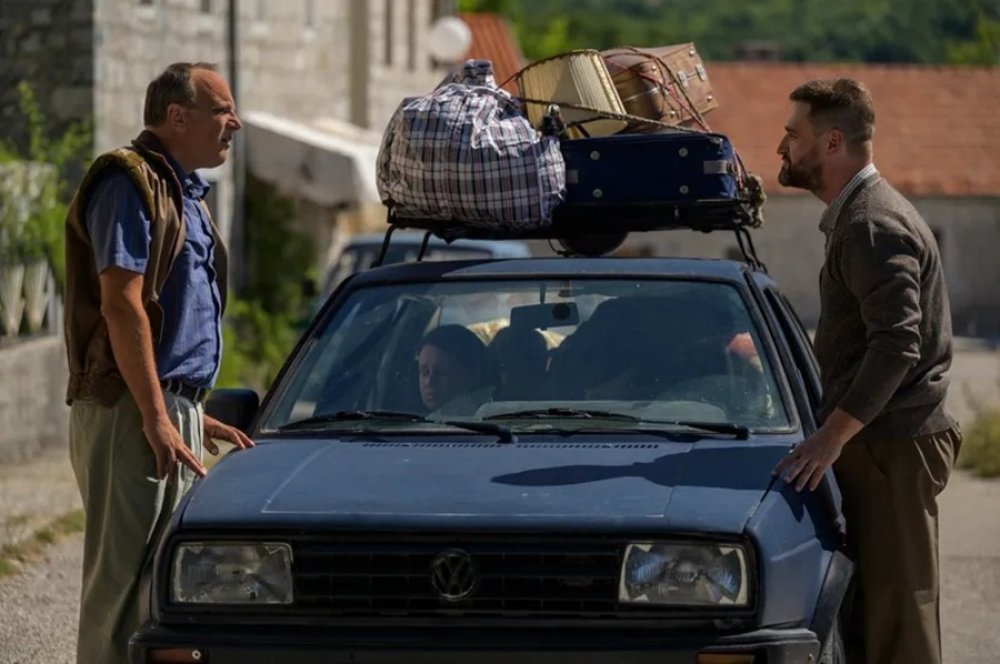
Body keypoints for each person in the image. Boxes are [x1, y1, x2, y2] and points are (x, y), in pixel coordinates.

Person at [63, 62, 253, 664]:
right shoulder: (128, 181)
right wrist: (156, 413)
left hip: (164, 408)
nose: (235, 123)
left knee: (164, 592)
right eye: (222, 111)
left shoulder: (184, 192)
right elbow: (122, 304)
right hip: (132, 410)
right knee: (120, 593)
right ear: (177, 116)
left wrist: (191, 411)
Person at [772, 78, 961, 664]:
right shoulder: (858, 216)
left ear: (832, 143)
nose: (781, 146)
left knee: (897, 617)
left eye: (793, 134)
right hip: (880, 442)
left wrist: (831, 436)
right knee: (874, 615)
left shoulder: (870, 224)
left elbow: (898, 344)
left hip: (893, 445)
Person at [417, 325, 491, 417]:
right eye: (425, 372)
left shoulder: (487, 415)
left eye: (441, 372)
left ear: (472, 374)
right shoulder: (417, 419)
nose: (430, 382)